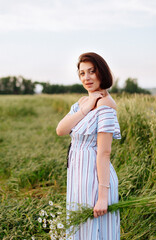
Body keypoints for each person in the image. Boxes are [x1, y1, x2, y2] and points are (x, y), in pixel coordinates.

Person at [56, 52, 121, 240]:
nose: (87, 77)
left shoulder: (106, 105)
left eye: (92, 71)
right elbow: (61, 129)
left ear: (102, 73)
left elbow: (104, 153)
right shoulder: (83, 102)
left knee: (95, 231)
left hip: (94, 177)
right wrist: (87, 104)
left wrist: (102, 198)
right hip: (77, 175)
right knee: (80, 229)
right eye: (82, 73)